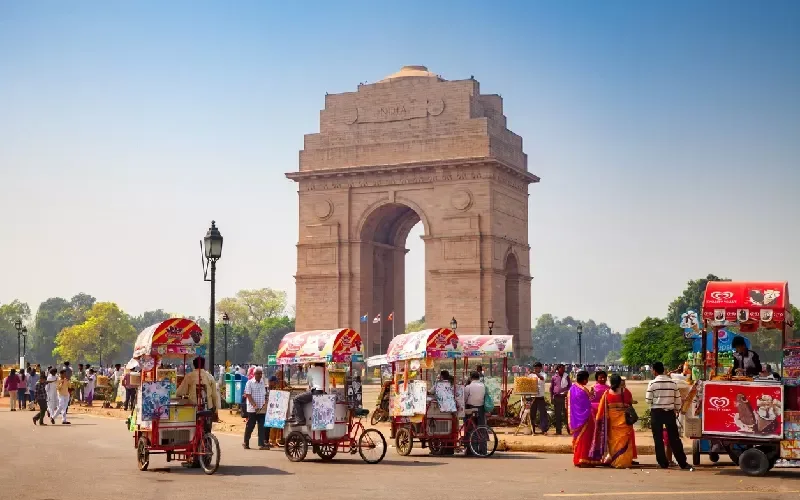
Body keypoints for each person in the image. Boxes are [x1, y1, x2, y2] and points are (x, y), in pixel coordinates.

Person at [645, 362, 692, 470]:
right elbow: (678, 401)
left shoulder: (652, 383)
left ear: (654, 371)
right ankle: (682, 463)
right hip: (670, 413)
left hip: (656, 412)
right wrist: (675, 408)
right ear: (663, 370)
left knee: (658, 439)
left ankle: (663, 463)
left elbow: (648, 400)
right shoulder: (672, 383)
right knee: (674, 438)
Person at [590, 374, 636, 468]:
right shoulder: (626, 391)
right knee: (625, 441)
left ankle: (615, 461)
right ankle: (624, 462)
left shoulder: (607, 393)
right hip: (624, 420)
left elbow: (601, 408)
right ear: (619, 382)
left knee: (613, 442)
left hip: (612, 421)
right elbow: (630, 402)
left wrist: (598, 420)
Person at [568, 370, 598, 467]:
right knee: (585, 439)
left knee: (578, 438)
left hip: (575, 419)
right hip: (585, 419)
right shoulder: (582, 390)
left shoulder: (572, 388)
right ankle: (583, 459)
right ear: (584, 379)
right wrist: (592, 393)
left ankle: (578, 459)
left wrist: (591, 393)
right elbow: (587, 403)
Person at [243, 367, 268, 450]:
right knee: (250, 426)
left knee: (261, 426)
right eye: (258, 373)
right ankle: (245, 442)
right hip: (252, 409)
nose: (260, 375)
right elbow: (248, 396)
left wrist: (265, 402)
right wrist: (254, 405)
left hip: (261, 409)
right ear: (254, 374)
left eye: (261, 373)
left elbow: (264, 394)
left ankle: (261, 444)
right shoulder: (249, 383)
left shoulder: (262, 382)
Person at [550, 364, 571, 435]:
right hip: (557, 397)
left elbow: (570, 387)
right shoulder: (554, 377)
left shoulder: (566, 376)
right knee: (558, 415)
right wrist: (551, 398)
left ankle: (569, 430)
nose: (563, 370)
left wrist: (567, 391)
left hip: (565, 398)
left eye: (564, 369)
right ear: (558, 369)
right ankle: (558, 431)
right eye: (562, 369)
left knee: (566, 415)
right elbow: (551, 388)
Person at [529, 362, 549, 434]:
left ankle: (544, 429)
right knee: (532, 413)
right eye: (534, 368)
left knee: (543, 413)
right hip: (533, 397)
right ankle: (532, 429)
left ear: (540, 368)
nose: (535, 369)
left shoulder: (544, 374)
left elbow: (542, 378)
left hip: (540, 396)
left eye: (537, 368)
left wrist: (535, 373)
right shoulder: (531, 375)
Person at [267, 376, 282, 448]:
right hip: (272, 408)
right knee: (273, 426)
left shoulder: (275, 388)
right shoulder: (268, 389)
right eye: (274, 382)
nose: (276, 383)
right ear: (271, 382)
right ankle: (272, 441)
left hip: (277, 407)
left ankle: (276, 440)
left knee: (277, 425)